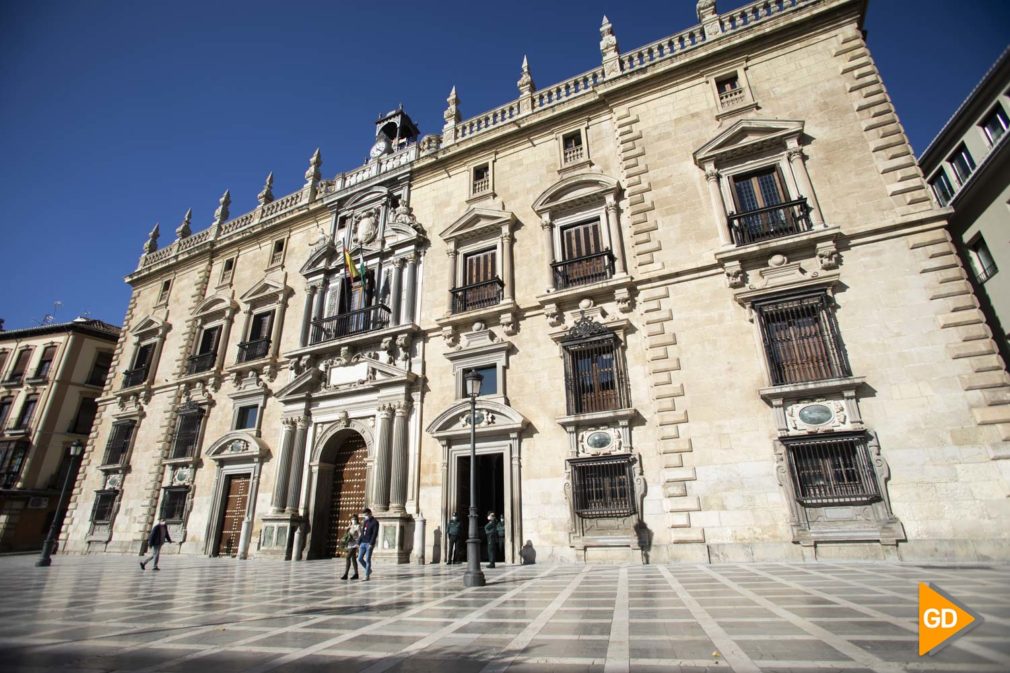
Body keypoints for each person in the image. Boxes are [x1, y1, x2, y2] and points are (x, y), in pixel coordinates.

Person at [357, 508, 379, 581]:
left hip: (369, 543)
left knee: (367, 559)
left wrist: (371, 543)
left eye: (366, 515)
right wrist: (358, 542)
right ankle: (368, 570)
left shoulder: (375, 522)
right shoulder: (365, 522)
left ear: (370, 513)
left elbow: (374, 534)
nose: (365, 516)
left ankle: (367, 576)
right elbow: (363, 533)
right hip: (363, 542)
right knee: (359, 558)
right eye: (364, 515)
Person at [340, 514, 361, 580]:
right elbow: (346, 535)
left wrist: (358, 543)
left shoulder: (358, 526)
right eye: (352, 519)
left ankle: (346, 574)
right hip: (349, 544)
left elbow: (360, 535)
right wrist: (347, 528)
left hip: (354, 544)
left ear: (357, 520)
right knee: (353, 559)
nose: (353, 520)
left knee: (347, 557)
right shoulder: (350, 526)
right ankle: (356, 574)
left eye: (354, 519)